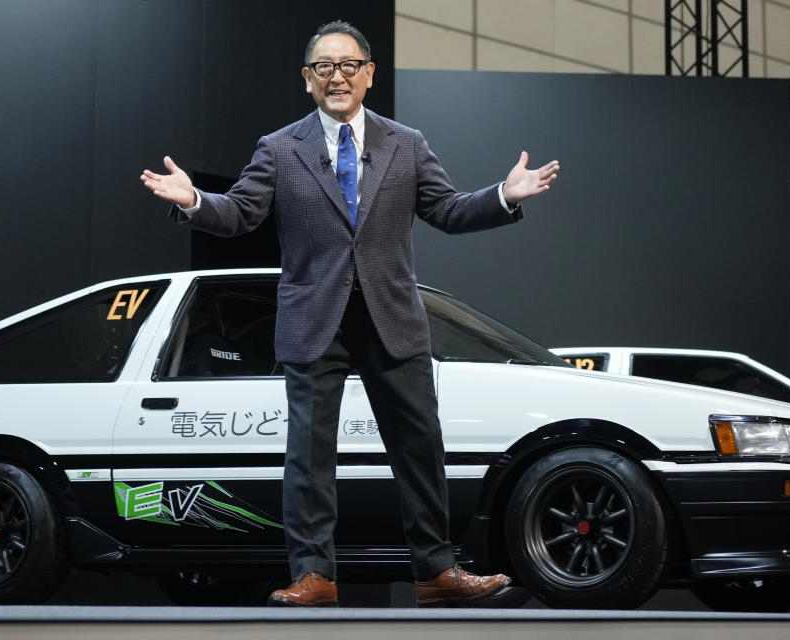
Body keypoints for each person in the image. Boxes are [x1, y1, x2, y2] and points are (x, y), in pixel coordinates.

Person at [141, 20, 559, 607]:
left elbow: (446, 209)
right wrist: (193, 202)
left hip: (392, 315)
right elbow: (239, 213)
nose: (336, 76)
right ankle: (314, 575)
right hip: (315, 318)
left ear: (369, 75)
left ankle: (437, 573)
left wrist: (502, 197)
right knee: (308, 457)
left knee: (419, 447)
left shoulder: (406, 142)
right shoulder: (280, 147)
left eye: (348, 65)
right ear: (307, 80)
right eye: (323, 67)